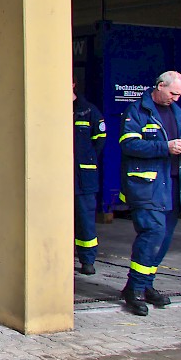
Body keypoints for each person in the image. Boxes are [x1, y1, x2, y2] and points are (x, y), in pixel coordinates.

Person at [119, 71, 181, 317]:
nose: (175, 98)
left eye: (179, 95)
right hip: (147, 187)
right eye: (173, 93)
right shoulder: (137, 111)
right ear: (160, 86)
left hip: (174, 187)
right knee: (153, 233)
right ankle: (134, 289)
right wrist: (166, 147)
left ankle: (146, 285)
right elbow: (128, 144)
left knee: (163, 240)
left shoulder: (180, 115)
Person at [73, 82, 107, 276]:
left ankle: (87, 259)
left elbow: (100, 139)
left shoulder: (89, 111)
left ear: (73, 84)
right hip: (60, 176)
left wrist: (86, 159)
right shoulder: (54, 108)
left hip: (84, 176)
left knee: (85, 219)